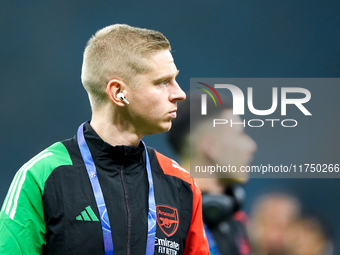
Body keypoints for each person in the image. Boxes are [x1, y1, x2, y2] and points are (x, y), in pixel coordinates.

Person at [0, 24, 210, 255]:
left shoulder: (181, 184)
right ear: (118, 92)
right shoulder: (42, 175)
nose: (179, 93)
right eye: (162, 82)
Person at [167, 94, 257, 254]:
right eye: (239, 134)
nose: (251, 146)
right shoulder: (166, 221)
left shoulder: (236, 222)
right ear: (211, 146)